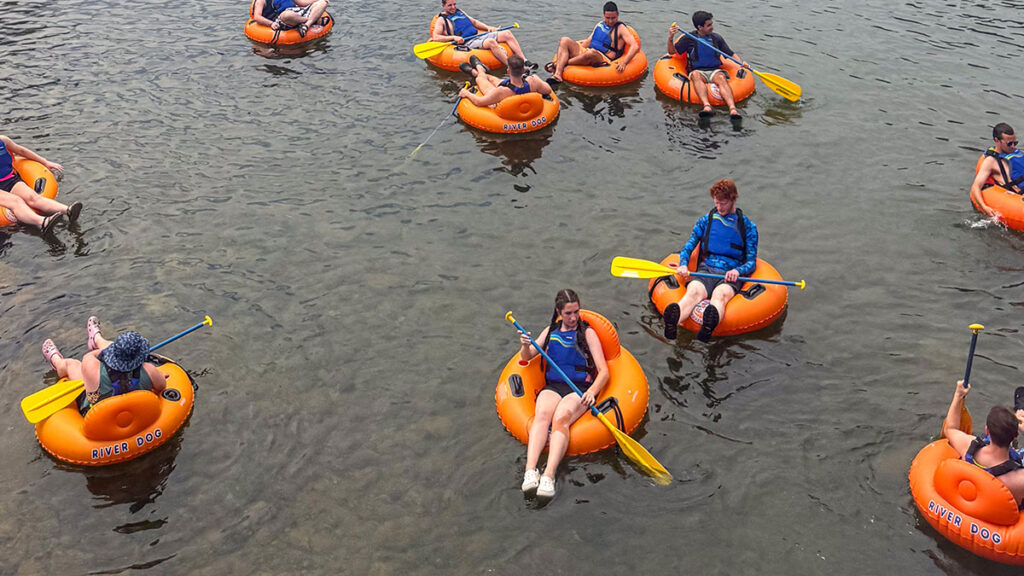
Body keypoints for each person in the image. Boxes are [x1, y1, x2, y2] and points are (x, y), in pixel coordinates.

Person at [517, 289, 609, 498]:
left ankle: (548, 475)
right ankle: (530, 472)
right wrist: (524, 345)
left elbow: (604, 372)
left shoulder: (587, 333)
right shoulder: (551, 330)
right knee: (542, 416)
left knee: (561, 418)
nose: (573, 317)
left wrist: (593, 391)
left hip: (578, 389)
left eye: (576, 311)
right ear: (559, 312)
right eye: (568, 313)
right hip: (554, 387)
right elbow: (529, 355)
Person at [664, 179, 758, 342]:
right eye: (717, 203)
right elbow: (688, 247)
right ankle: (673, 320)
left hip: (730, 275)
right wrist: (684, 264)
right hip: (706, 269)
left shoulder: (748, 227)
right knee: (693, 292)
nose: (720, 207)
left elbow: (751, 262)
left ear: (733, 199)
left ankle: (709, 325)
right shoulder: (705, 222)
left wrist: (738, 271)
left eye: (723, 203)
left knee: (720, 295)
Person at [41, 317, 166, 413]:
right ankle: (96, 338)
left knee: (71, 364)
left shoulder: (92, 368)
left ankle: (56, 360)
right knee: (105, 348)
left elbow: (90, 356)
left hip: (98, 418)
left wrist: (107, 351)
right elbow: (161, 386)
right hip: (133, 418)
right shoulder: (149, 370)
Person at [942, 380, 1024, 506]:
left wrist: (958, 395)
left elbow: (950, 428)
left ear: (987, 430)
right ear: (1015, 436)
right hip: (1000, 515)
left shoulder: (968, 446)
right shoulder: (1019, 479)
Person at [667, 11, 746, 118]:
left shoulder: (716, 38)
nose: (712, 27)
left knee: (721, 78)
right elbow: (672, 52)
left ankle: (732, 109)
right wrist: (671, 37)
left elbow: (730, 54)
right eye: (708, 25)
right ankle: (707, 106)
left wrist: (741, 64)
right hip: (698, 71)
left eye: (711, 24)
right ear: (699, 27)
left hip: (715, 70)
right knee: (695, 76)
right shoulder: (689, 38)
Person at [0, 135, 81, 235]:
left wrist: (45, 162)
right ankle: (42, 223)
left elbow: (21, 151)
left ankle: (68, 210)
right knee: (16, 201)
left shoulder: (2, 140)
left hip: (9, 179)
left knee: (33, 197)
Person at [546, 1, 640, 84]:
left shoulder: (621, 28)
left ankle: (558, 64)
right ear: (604, 15)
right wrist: (574, 49)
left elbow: (635, 46)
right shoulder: (600, 24)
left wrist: (624, 62)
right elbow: (588, 41)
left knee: (591, 53)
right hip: (588, 51)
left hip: (603, 57)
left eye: (613, 18)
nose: (610, 21)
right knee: (564, 40)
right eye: (608, 18)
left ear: (618, 15)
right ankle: (557, 75)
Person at [431, 0, 534, 70]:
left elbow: (474, 23)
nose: (453, 7)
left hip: (477, 36)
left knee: (507, 33)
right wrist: (454, 37)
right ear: (443, 6)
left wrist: (488, 27)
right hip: (467, 42)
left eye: (454, 4)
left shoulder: (459, 12)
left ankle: (524, 60)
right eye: (450, 5)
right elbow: (435, 37)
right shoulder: (442, 20)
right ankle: (512, 68)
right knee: (491, 42)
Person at [970, 122, 1024, 220]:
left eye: (1014, 143)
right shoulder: (991, 161)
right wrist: (984, 207)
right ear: (996, 140)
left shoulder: (1016, 153)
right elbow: (975, 187)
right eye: (1009, 143)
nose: (1013, 146)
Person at [458, 55, 552, 108]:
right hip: (516, 86)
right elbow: (548, 90)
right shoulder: (533, 80)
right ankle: (477, 70)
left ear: (508, 71)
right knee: (493, 79)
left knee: (480, 79)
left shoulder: (500, 91)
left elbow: (479, 102)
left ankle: (479, 69)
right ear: (523, 70)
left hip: (504, 96)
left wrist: (466, 93)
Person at [251, 0, 330, 38]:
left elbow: (301, 3)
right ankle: (314, 20)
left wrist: (318, 0)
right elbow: (257, 17)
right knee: (287, 15)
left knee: (322, 3)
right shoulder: (261, 1)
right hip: (282, 18)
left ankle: (306, 25)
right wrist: (271, 23)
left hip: (297, 12)